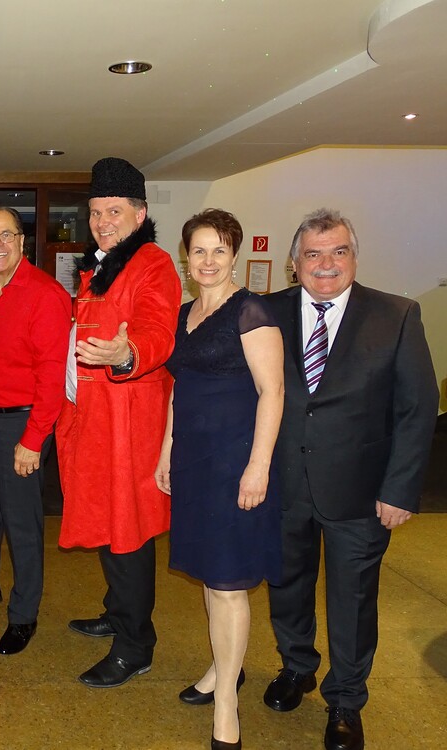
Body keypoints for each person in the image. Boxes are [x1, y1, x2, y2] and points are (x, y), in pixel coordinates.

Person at [261, 209, 437, 750]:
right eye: (313, 254)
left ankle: (345, 700)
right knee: (286, 585)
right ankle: (297, 666)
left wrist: (400, 489)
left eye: (338, 251)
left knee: (353, 600)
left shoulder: (396, 315)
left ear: (354, 257)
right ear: (294, 263)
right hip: (283, 484)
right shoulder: (264, 312)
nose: (326, 264)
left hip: (362, 492)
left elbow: (417, 408)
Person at [154, 209, 284, 750]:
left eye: (219, 251)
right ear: (187, 257)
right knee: (211, 576)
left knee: (229, 584)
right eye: (199, 250)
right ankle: (220, 668)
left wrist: (259, 466)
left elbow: (273, 392)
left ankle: (227, 702)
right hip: (194, 460)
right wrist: (167, 448)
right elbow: (179, 387)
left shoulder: (252, 311)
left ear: (234, 256)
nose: (208, 261)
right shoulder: (184, 313)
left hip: (235, 461)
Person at [58, 157, 182, 687]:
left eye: (114, 211)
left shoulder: (153, 264)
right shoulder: (101, 266)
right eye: (95, 212)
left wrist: (126, 354)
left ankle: (136, 645)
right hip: (94, 417)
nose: (102, 221)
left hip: (127, 422)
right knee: (108, 523)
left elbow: (158, 332)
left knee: (127, 531)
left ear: (140, 214)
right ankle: (118, 611)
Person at [0, 208, 71, 656]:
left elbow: (52, 377)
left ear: (22, 241)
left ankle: (24, 614)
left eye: (5, 235)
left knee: (22, 524)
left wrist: (32, 440)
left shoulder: (46, 294)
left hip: (22, 424)